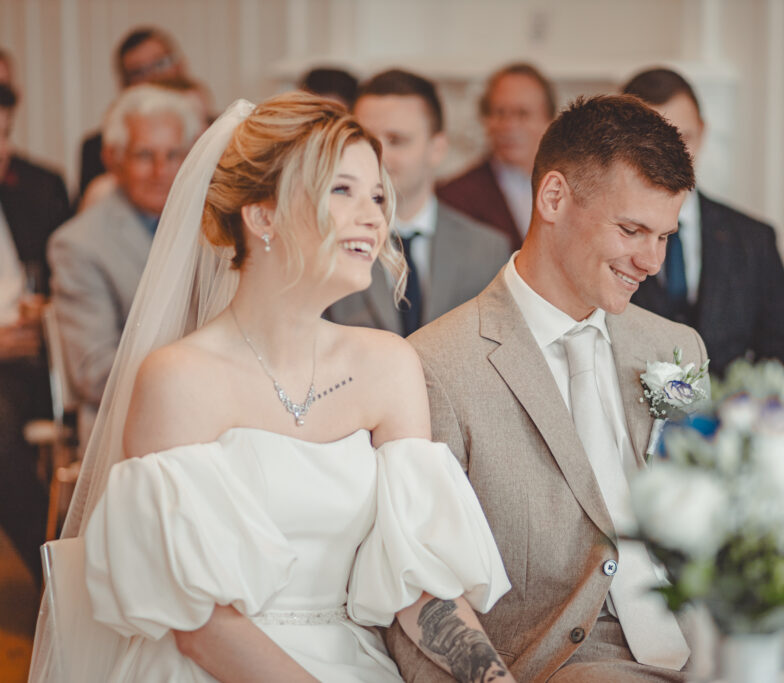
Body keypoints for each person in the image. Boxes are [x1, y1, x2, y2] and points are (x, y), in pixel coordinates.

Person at [29, 92, 511, 682]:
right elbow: (203, 627)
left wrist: (493, 677)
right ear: (262, 217)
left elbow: (421, 584)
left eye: (378, 196)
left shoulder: (388, 365)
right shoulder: (179, 378)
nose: (373, 217)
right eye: (342, 190)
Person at [386, 95, 709, 682]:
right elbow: (422, 583)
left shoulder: (675, 347)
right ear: (554, 197)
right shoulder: (436, 366)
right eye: (632, 230)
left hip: (710, 637)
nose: (652, 261)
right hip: (564, 663)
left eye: (665, 236)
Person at [624, 68, 784, 377]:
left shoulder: (754, 240)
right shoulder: (605, 238)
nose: (670, 155)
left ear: (703, 133)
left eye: (683, 137)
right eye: (653, 142)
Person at [49, 84, 202, 446]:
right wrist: (206, 381)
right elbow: (94, 372)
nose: (161, 170)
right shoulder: (79, 243)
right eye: (145, 155)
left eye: (174, 154)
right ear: (113, 160)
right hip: (129, 427)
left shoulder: (219, 223)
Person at [326, 68, 510, 335]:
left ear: (437, 149)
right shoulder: (328, 242)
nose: (378, 155)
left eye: (396, 140)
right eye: (366, 140)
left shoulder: (487, 251)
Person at [0, 79, 71, 584]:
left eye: (5, 135)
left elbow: (63, 286)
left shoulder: (32, 197)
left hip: (39, 365)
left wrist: (46, 313)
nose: (1, 151)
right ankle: (57, 578)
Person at [436, 63, 555, 249]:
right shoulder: (453, 197)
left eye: (522, 114)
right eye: (500, 113)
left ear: (549, 121)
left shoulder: (574, 188)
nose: (509, 125)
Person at [78, 27, 188, 197]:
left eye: (160, 64)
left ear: (180, 66)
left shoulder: (219, 131)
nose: (154, 76)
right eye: (139, 72)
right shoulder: (100, 146)